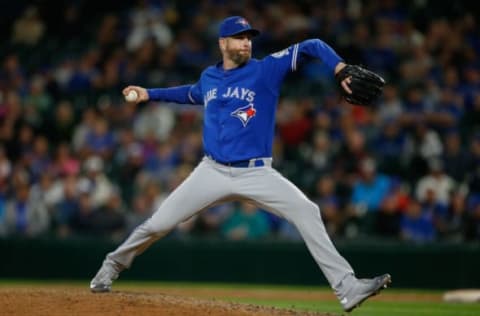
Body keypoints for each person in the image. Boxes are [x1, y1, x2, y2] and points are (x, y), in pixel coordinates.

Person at [90, 16, 391, 312]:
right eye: (239, 37)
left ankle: (347, 287)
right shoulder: (209, 77)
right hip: (212, 171)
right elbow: (191, 93)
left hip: (257, 172)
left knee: (307, 211)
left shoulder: (266, 70)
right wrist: (149, 93)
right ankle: (111, 265)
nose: (246, 42)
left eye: (249, 37)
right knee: (158, 224)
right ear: (223, 43)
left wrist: (338, 68)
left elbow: (312, 44)